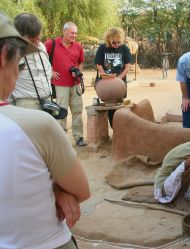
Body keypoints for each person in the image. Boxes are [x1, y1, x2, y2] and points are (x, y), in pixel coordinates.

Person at [0, 12, 90, 249]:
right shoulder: (35, 125)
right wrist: (57, 188)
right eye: (18, 61)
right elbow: (81, 189)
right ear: (3, 58)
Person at [45, 22, 86, 146]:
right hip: (60, 83)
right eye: (72, 33)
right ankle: (62, 138)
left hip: (75, 83)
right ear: (64, 32)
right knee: (61, 111)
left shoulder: (78, 46)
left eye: (76, 33)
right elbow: (41, 58)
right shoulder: (51, 43)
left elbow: (80, 63)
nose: (74, 35)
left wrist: (78, 71)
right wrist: (50, 71)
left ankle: (79, 137)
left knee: (77, 111)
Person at [11, 13, 52, 110]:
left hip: (47, 101)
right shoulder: (11, 52)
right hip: (26, 104)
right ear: (19, 36)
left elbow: (47, 70)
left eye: (38, 38)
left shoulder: (42, 46)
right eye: (32, 40)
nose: (37, 43)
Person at [94, 27, 131, 127]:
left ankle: (120, 129)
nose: (117, 45)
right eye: (114, 43)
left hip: (120, 82)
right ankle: (114, 127)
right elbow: (99, 65)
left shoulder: (124, 48)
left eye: (119, 42)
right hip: (106, 83)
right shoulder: (102, 48)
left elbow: (127, 67)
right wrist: (105, 76)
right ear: (108, 39)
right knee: (110, 107)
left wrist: (118, 80)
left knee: (120, 106)